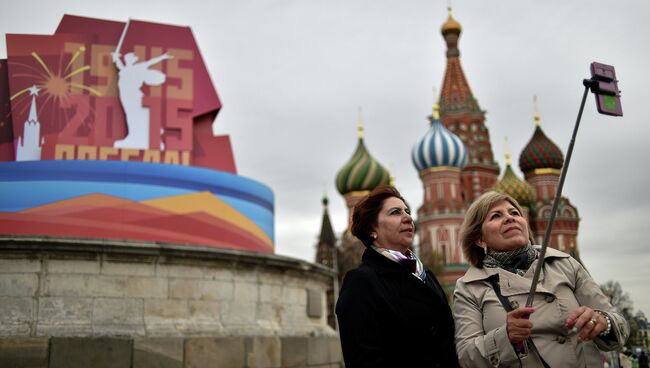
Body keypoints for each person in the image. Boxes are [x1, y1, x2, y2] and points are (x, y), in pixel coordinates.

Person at [453, 191, 629, 367]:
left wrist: (602, 322)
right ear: (479, 239)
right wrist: (505, 337)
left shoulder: (565, 264)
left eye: (515, 213)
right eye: (496, 216)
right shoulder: (469, 287)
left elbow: (620, 324)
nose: (509, 218)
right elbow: (466, 357)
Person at [335, 185, 459, 367]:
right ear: (372, 229)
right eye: (395, 212)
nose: (408, 217)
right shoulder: (362, 282)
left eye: (407, 211)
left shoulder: (425, 275)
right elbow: (364, 358)